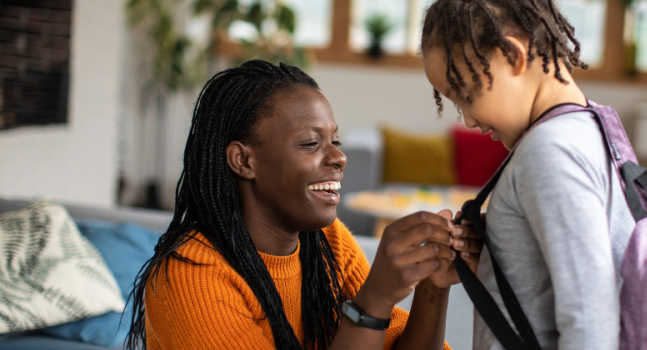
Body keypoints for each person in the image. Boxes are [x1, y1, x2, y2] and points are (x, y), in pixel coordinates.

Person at [124, 60, 482, 350]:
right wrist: (373, 300)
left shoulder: (329, 243)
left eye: (335, 140)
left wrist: (433, 286)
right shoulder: (189, 279)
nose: (339, 157)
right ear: (243, 161)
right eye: (311, 143)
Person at [420, 1, 637, 349]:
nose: (470, 120)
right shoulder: (594, 125)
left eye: (465, 96)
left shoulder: (549, 151)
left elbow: (590, 318)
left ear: (512, 55)